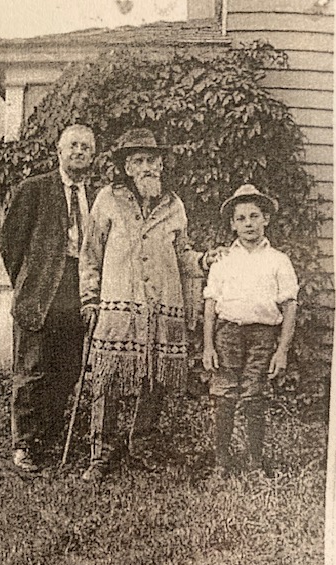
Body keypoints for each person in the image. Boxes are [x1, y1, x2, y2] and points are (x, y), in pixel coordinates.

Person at [79, 128, 222, 482]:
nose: (147, 167)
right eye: (139, 161)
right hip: (118, 306)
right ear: (127, 167)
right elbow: (90, 254)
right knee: (108, 377)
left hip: (162, 306)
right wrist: (89, 298)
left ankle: (141, 443)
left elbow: (183, 253)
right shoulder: (107, 199)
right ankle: (101, 452)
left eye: (152, 160)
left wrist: (203, 261)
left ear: (161, 165)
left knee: (155, 378)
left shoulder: (174, 205)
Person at [0, 124, 97, 471]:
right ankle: (24, 445)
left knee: (67, 369)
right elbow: (11, 243)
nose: (79, 152)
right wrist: (28, 282)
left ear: (93, 156)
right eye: (73, 145)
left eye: (86, 147)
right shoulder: (34, 189)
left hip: (78, 290)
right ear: (59, 151)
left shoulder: (97, 196)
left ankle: (49, 436)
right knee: (32, 370)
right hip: (40, 292)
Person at [202, 184, 299, 475]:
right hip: (227, 334)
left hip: (262, 337)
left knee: (255, 397)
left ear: (265, 219)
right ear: (233, 224)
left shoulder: (278, 260)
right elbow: (210, 303)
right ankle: (221, 462)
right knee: (224, 397)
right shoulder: (223, 259)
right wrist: (208, 346)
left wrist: (281, 351)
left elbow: (290, 305)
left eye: (254, 216)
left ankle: (255, 462)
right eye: (241, 218)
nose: (248, 224)